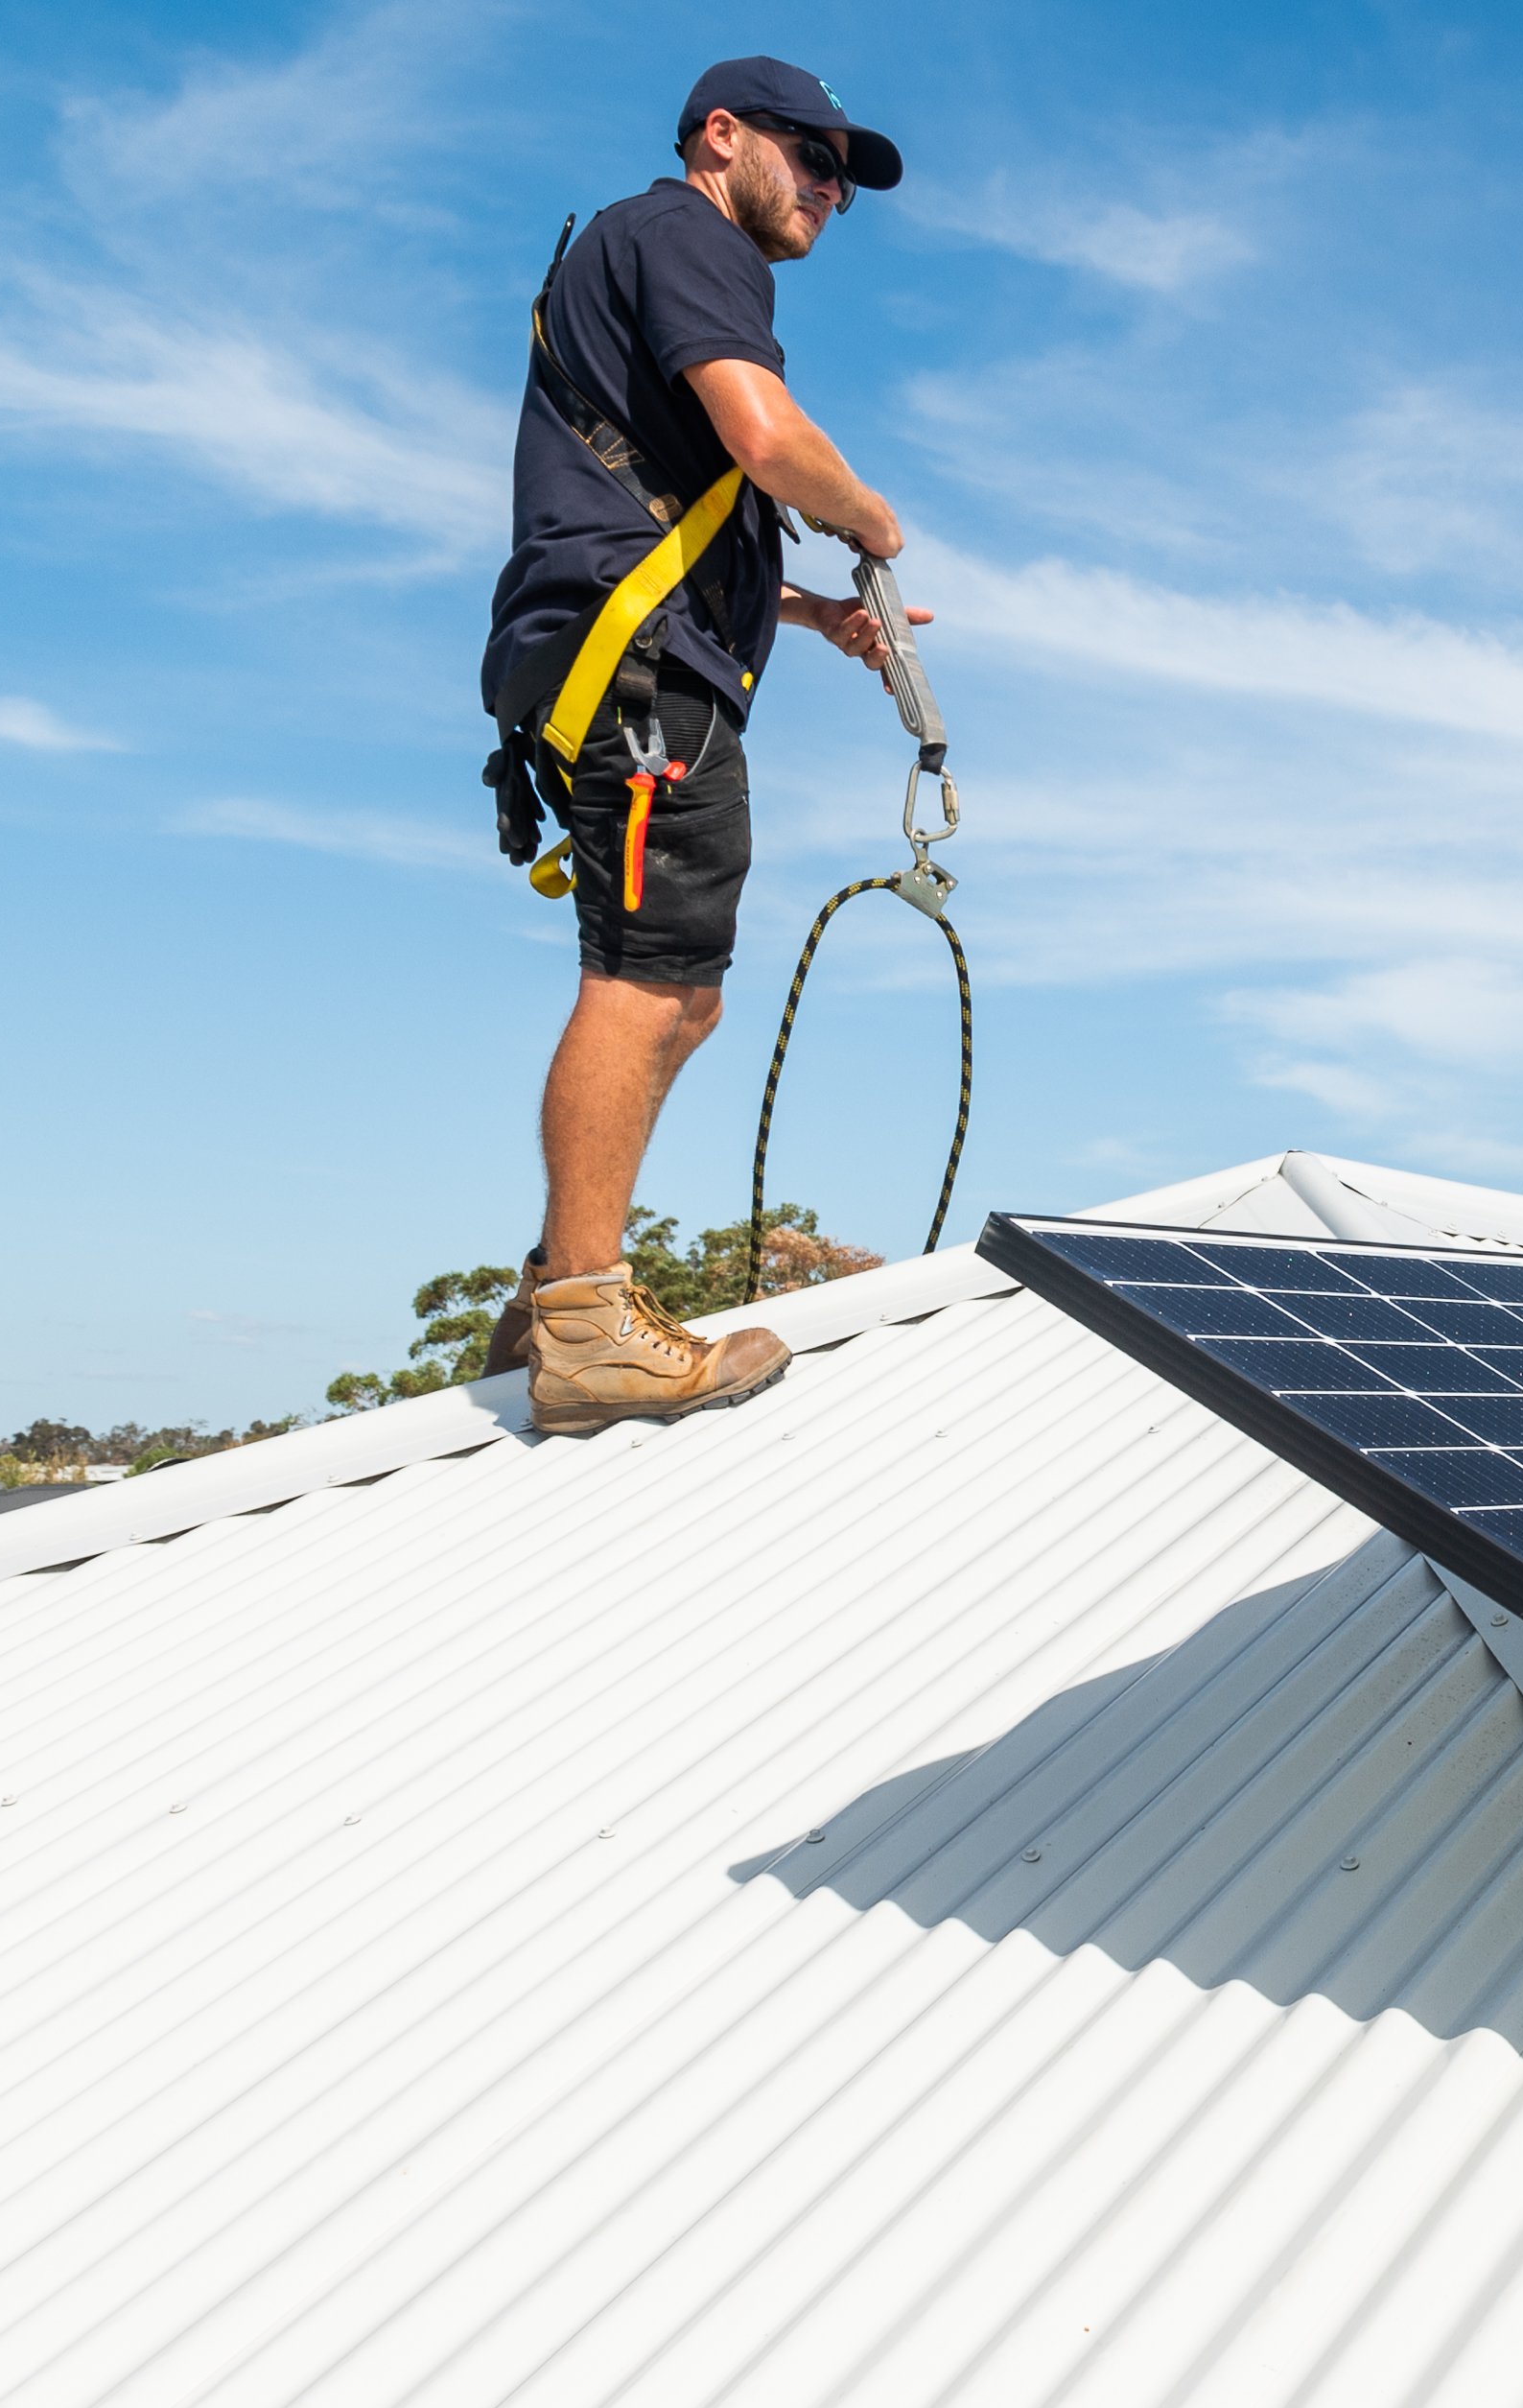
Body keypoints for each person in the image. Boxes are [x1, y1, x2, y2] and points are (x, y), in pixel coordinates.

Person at [472, 56, 924, 1433]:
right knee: (654, 985)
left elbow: (654, 494)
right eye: (814, 157)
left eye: (846, 178)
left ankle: (561, 1284)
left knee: (681, 985)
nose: (833, 191)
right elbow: (764, 435)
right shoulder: (686, 236)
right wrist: (870, 523)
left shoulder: (637, 251)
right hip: (643, 683)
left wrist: (795, 609)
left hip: (634, 656)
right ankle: (585, 1321)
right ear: (721, 137)